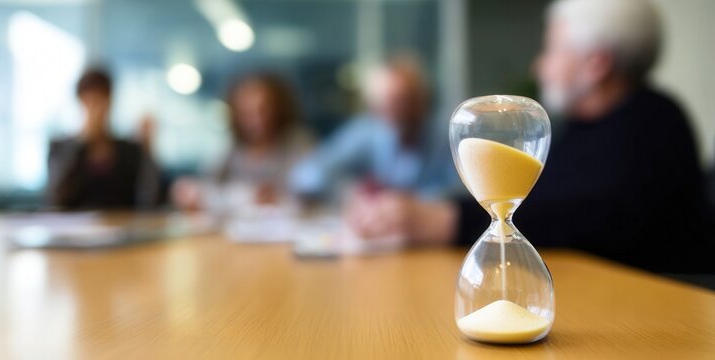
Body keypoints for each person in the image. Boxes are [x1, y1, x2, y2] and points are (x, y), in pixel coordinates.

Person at [348, 0, 712, 273]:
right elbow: (534, 200)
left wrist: (448, 220)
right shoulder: (582, 127)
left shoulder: (653, 124)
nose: (539, 65)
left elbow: (592, 219)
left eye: (552, 49)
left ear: (595, 64)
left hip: (654, 309)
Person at [289, 57, 459, 201]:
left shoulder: (445, 138)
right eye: (386, 104)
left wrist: (402, 201)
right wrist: (348, 190)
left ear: (423, 101)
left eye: (405, 100)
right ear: (374, 107)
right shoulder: (365, 132)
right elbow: (307, 174)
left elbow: (464, 195)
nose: (398, 112)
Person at [171, 72, 311, 211]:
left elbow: (308, 195)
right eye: (246, 112)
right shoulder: (232, 149)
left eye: (262, 110)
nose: (256, 120)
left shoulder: (297, 143)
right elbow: (203, 187)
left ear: (277, 109)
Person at [47, 69, 159, 209]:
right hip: (74, 230)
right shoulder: (60, 149)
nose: (96, 109)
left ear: (110, 101)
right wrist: (82, 143)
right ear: (80, 101)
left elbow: (149, 200)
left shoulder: (129, 151)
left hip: (122, 229)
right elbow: (55, 200)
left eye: (101, 100)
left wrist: (148, 151)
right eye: (89, 100)